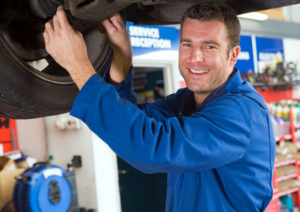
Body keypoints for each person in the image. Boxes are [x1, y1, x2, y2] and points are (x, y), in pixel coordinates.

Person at [43, 0, 275, 211]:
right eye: (187, 44)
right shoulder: (187, 101)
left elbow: (150, 148)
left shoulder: (242, 112)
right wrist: (122, 56)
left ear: (233, 56)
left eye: (209, 47)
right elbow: (132, 124)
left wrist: (78, 66)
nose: (195, 57)